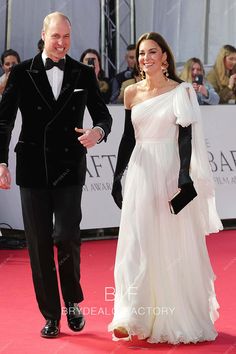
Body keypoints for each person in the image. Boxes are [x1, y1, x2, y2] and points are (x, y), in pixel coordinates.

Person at [0, 12, 112, 338]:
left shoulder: (82, 72)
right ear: (43, 35)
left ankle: (73, 301)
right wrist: (1, 162)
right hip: (32, 169)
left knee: (66, 236)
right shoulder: (20, 73)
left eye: (66, 37)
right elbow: (3, 122)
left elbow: (103, 115)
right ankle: (50, 314)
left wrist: (98, 132)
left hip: (68, 168)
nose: (61, 43)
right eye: (55, 36)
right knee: (37, 244)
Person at [108, 32, 222, 344]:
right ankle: (131, 313)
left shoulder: (180, 91)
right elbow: (127, 139)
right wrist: (118, 176)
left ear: (165, 57)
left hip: (170, 170)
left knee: (171, 242)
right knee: (136, 241)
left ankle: (174, 314)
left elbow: (185, 137)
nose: (146, 58)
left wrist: (184, 175)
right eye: (142, 53)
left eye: (152, 52)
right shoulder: (131, 93)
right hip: (141, 171)